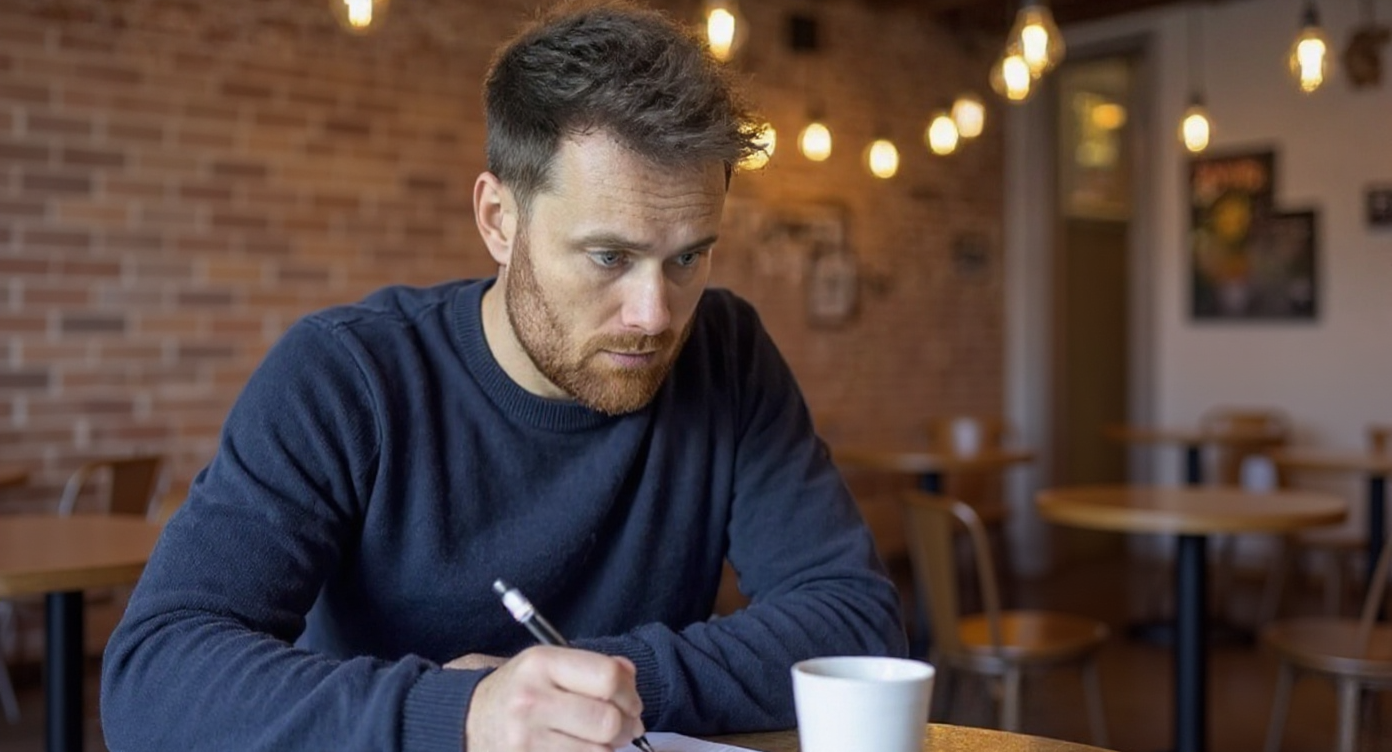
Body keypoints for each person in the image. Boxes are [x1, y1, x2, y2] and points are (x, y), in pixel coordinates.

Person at [100, 2, 907, 750]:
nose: (656, 314)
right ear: (498, 220)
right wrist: (464, 716)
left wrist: (598, 690)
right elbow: (155, 675)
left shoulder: (728, 352)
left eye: (688, 256)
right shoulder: (345, 375)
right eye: (609, 256)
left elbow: (854, 626)